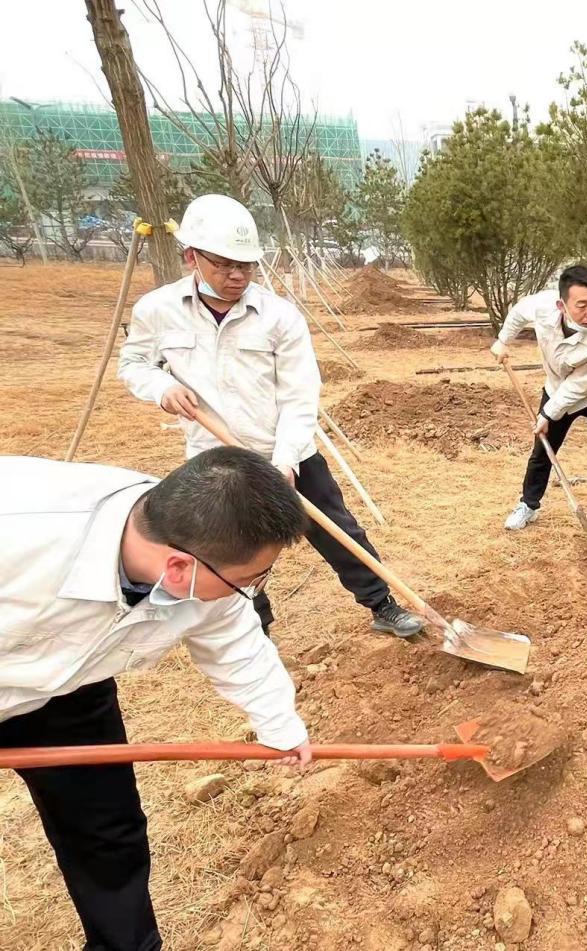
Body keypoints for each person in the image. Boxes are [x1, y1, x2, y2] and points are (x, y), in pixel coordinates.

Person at [0, 448, 312, 951]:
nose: (250, 592)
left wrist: (281, 726)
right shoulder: (18, 529)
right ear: (177, 567)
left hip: (71, 689)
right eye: (249, 580)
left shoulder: (204, 549)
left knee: (106, 832)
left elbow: (236, 644)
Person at [118, 194, 421, 639]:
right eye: (223, 264)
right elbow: (133, 364)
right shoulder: (157, 310)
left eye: (246, 265)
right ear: (191, 257)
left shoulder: (278, 317)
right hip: (216, 460)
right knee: (228, 546)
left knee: (335, 529)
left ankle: (382, 604)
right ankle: (254, 628)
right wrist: (162, 388)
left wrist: (284, 462)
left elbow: (301, 395)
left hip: (285, 449)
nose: (237, 275)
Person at [490, 264, 587, 549]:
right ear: (561, 304)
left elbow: (578, 387)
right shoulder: (542, 306)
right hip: (556, 390)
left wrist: (547, 414)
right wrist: (503, 341)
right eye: (582, 305)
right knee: (542, 451)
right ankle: (529, 505)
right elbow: (518, 313)